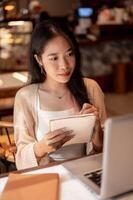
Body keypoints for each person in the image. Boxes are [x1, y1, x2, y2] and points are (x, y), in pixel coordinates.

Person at [14, 20, 107, 170]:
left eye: (69, 54)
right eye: (54, 58)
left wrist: (97, 131)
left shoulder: (91, 88)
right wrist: (42, 147)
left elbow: (104, 151)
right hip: (47, 176)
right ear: (39, 60)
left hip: (87, 171)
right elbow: (21, 158)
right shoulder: (25, 97)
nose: (64, 65)